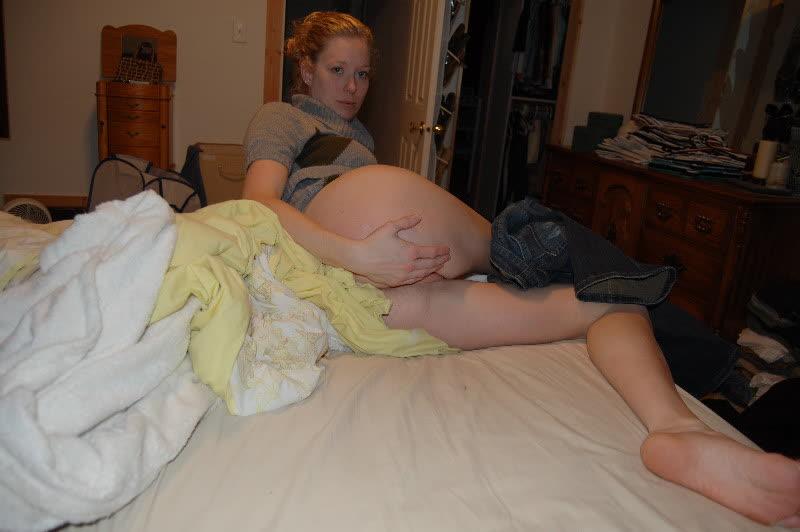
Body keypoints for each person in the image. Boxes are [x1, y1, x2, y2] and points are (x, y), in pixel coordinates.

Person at [242, 11, 800, 527]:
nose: (352, 88)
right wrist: (356, 254)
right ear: (305, 69)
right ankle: (727, 368)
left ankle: (675, 430)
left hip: (374, 308)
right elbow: (259, 203)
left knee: (604, 300)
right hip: (352, 261)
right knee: (544, 236)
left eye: (362, 74)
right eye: (337, 70)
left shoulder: (360, 136)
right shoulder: (282, 116)